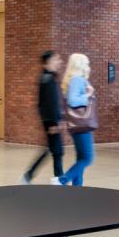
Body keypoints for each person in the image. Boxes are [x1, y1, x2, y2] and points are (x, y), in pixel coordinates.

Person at [22, 51, 65, 184]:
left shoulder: (49, 77)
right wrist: (53, 123)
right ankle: (58, 179)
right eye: (56, 60)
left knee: (54, 150)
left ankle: (30, 175)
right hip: (51, 121)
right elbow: (47, 103)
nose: (59, 62)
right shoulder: (47, 79)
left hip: (52, 120)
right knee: (56, 151)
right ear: (47, 62)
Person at [58, 53, 96, 186]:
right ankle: (62, 180)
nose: (88, 66)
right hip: (81, 124)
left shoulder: (75, 80)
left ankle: (77, 187)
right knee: (87, 158)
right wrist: (88, 95)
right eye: (87, 63)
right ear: (81, 65)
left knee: (81, 158)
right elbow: (73, 101)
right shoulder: (77, 80)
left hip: (77, 124)